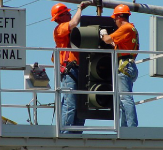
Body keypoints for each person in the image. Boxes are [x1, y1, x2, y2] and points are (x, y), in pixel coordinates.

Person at [50, 1, 91, 133]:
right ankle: (66, 132)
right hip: (70, 71)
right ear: (59, 17)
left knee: (82, 105)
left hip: (79, 69)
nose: (70, 13)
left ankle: (76, 133)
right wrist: (80, 8)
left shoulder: (70, 31)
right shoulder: (60, 29)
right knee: (70, 103)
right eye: (67, 13)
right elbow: (74, 23)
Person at [100, 4, 139, 127]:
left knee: (125, 98)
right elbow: (122, 45)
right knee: (123, 101)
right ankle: (124, 128)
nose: (114, 22)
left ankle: (132, 127)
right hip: (129, 64)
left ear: (119, 17)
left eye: (115, 19)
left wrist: (103, 33)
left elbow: (107, 39)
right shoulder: (132, 29)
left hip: (124, 65)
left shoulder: (125, 27)